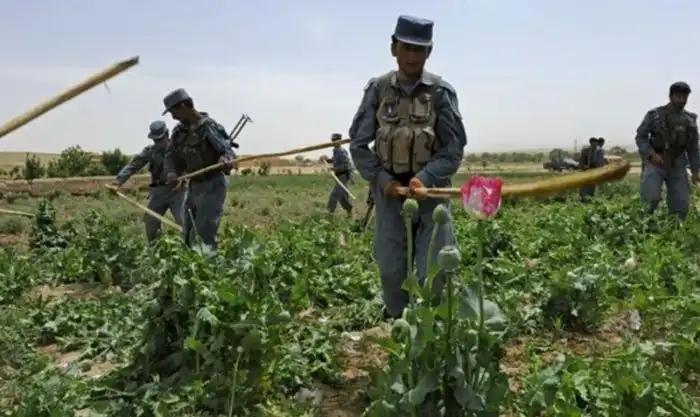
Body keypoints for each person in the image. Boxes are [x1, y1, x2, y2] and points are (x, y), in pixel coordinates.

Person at [349, 15, 467, 319]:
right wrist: (381, 179)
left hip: (431, 193)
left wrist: (425, 177)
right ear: (393, 48)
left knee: (434, 269)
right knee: (391, 269)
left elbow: (453, 149)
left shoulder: (441, 92)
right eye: (407, 48)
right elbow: (359, 146)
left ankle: (431, 326)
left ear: (429, 52)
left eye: (419, 49)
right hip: (389, 194)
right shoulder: (377, 90)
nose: (413, 56)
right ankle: (398, 324)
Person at [161, 88, 236, 248]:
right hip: (194, 186)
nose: (173, 117)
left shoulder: (208, 127)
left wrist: (225, 159)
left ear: (183, 106)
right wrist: (171, 172)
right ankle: (190, 262)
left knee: (205, 233)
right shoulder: (179, 132)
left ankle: (209, 262)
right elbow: (170, 157)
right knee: (188, 232)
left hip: (212, 185)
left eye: (174, 112)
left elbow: (227, 151)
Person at [108, 120, 186, 242]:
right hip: (158, 191)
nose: (158, 143)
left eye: (160, 139)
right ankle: (156, 249)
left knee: (184, 222)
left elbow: (192, 165)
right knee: (151, 224)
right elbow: (133, 165)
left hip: (178, 191)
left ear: (167, 135)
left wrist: (184, 178)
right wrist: (117, 183)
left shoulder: (179, 149)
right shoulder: (151, 151)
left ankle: (192, 249)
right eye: (155, 140)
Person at [636, 81, 700, 219]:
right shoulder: (655, 115)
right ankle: (644, 225)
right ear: (671, 96)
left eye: (685, 97)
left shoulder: (690, 120)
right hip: (656, 162)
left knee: (680, 203)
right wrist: (651, 154)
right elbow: (641, 136)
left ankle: (675, 228)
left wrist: (695, 171)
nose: (682, 100)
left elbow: (693, 148)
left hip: (678, 163)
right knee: (650, 199)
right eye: (679, 97)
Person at [323, 133, 354, 219]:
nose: (333, 142)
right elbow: (335, 160)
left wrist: (334, 169)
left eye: (335, 140)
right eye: (332, 140)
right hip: (339, 176)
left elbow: (345, 165)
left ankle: (330, 213)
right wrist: (328, 160)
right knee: (341, 196)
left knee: (334, 195)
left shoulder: (341, 151)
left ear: (340, 141)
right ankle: (350, 212)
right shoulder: (336, 151)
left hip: (343, 176)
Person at [578, 137, 606, 201]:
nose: (596, 145)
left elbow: (599, 161)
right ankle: (583, 198)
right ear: (591, 143)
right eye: (595, 143)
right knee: (584, 185)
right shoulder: (586, 151)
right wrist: (582, 168)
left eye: (596, 143)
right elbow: (582, 160)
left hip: (593, 171)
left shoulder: (598, 151)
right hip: (586, 171)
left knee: (592, 185)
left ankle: (590, 197)